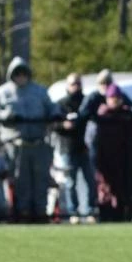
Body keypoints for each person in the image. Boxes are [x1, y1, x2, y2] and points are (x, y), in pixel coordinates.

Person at [0, 56, 60, 222]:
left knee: (41, 179)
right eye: (17, 74)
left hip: (38, 143)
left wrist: (55, 114)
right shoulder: (2, 93)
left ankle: (41, 212)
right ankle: (22, 212)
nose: (21, 77)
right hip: (15, 145)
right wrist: (7, 116)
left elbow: (52, 107)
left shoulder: (39, 91)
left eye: (23, 73)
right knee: (20, 181)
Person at [91, 84, 132, 222]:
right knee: (106, 191)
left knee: (124, 191)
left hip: (124, 160)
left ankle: (124, 216)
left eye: (117, 97)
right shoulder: (100, 117)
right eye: (112, 97)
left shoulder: (128, 116)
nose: (115, 100)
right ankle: (106, 217)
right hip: (105, 160)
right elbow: (93, 142)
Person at [52, 72, 97, 223]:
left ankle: (91, 210)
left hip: (84, 147)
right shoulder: (60, 104)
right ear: (67, 86)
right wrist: (64, 125)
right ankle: (73, 212)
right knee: (71, 182)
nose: (76, 87)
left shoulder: (86, 102)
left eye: (78, 83)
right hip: (68, 148)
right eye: (73, 84)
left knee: (90, 180)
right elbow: (53, 124)